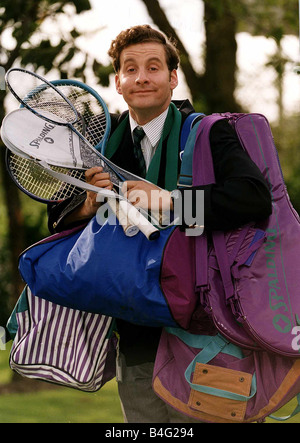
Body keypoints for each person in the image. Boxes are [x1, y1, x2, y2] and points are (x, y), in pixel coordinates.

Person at [48, 25, 272, 423]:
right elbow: (58, 221)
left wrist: (173, 202)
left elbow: (254, 199)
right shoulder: (100, 143)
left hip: (206, 336)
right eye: (130, 69)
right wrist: (86, 205)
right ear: (117, 82)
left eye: (153, 67)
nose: (142, 77)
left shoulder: (207, 133)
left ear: (172, 78)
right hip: (136, 341)